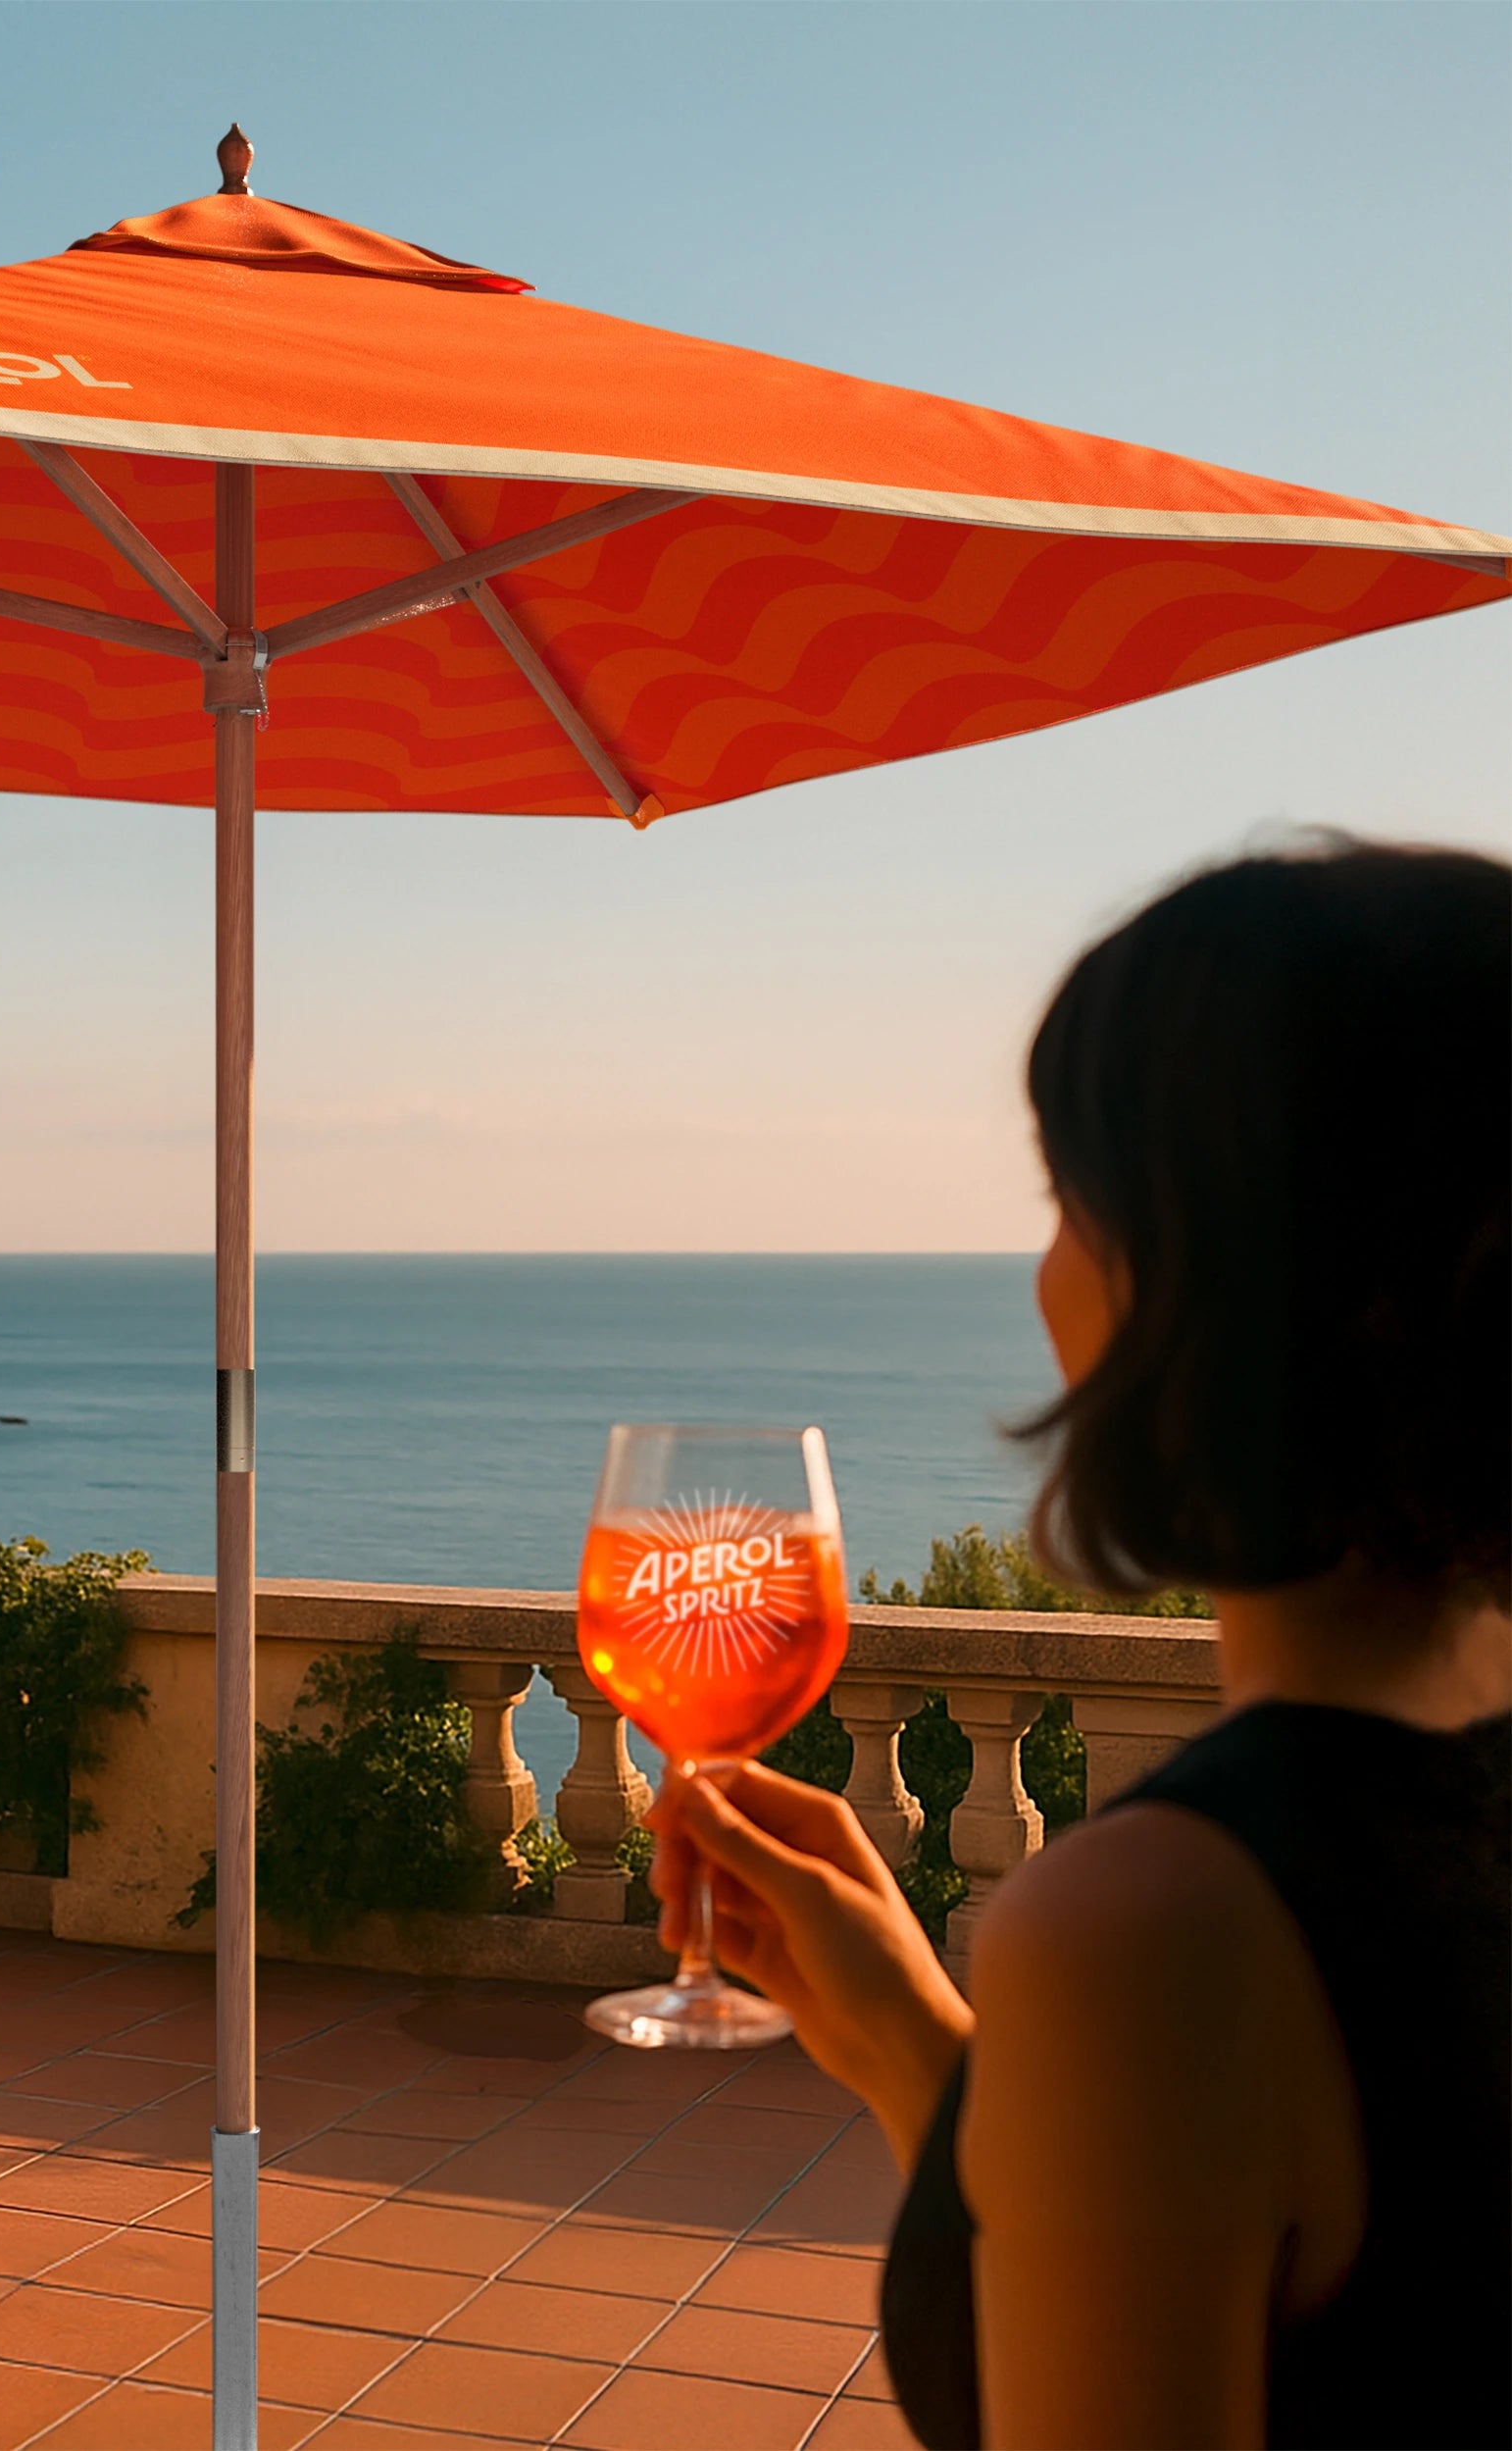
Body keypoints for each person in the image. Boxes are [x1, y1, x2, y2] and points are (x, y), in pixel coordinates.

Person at [649, 840, 1510, 2451]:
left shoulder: (1167, 1923)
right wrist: (917, 2044)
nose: (1046, 1271)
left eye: (1070, 1201)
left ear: (1214, 1279)